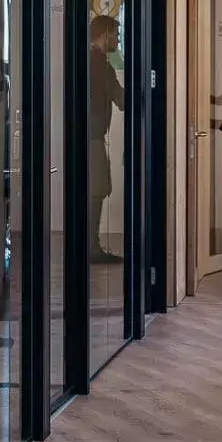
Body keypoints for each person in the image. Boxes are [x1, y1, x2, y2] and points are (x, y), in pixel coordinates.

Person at [86, 15, 125, 265]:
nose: (117, 41)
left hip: (83, 137)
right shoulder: (100, 64)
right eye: (116, 35)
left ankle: (89, 245)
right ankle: (92, 248)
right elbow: (121, 99)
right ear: (106, 34)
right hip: (93, 139)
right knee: (96, 191)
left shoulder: (85, 59)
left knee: (93, 191)